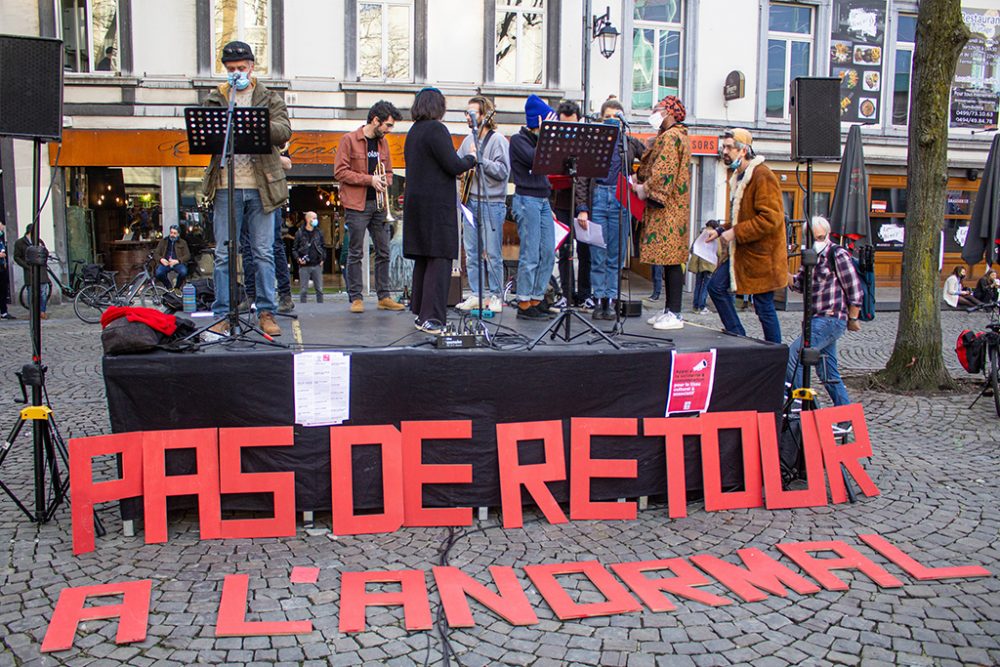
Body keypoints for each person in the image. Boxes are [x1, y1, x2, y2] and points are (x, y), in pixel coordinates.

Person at [201, 40, 289, 337]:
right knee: (225, 254)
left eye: (241, 68)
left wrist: (256, 124)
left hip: (262, 186)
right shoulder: (217, 98)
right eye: (230, 69)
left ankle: (266, 312)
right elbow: (204, 135)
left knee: (263, 252)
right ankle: (224, 314)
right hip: (226, 185)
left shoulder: (269, 97)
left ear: (252, 67)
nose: (236, 73)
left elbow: (284, 131)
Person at [403, 88, 477, 333]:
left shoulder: (413, 132)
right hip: (436, 205)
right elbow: (452, 165)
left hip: (417, 204)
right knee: (440, 258)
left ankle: (420, 313)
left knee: (424, 259)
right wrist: (471, 159)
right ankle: (433, 317)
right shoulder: (436, 129)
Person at [704, 128, 786, 344]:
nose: (725, 151)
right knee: (716, 287)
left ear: (743, 150)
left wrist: (734, 233)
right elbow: (741, 217)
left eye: (729, 147)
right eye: (724, 147)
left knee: (764, 306)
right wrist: (721, 230)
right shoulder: (739, 177)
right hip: (745, 252)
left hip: (763, 256)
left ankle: (775, 352)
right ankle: (738, 334)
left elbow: (771, 219)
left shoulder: (762, 175)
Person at [334, 100, 406, 314]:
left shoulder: (383, 143)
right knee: (356, 252)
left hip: (378, 205)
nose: (389, 130)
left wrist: (387, 180)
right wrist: (369, 180)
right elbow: (340, 172)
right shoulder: (349, 140)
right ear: (376, 120)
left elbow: (390, 172)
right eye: (388, 125)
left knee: (384, 251)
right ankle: (356, 297)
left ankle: (384, 296)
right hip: (357, 204)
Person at [785, 217, 864, 407]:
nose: (818, 241)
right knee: (828, 372)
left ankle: (808, 408)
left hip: (830, 318)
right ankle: (845, 415)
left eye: (821, 237)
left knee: (794, 356)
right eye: (814, 238)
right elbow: (799, 284)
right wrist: (780, 272)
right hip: (816, 319)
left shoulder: (837, 254)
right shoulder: (810, 256)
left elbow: (855, 289)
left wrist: (853, 317)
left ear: (827, 235)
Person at [582, 97, 647, 321]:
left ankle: (611, 301)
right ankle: (598, 300)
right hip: (599, 196)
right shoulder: (594, 143)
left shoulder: (629, 143)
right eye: (607, 117)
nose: (611, 121)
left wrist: (638, 179)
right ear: (601, 119)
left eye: (615, 117)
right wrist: (583, 208)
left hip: (621, 197)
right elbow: (582, 177)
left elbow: (649, 159)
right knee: (598, 253)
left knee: (616, 255)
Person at [634, 95, 691, 330]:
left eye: (657, 109)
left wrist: (644, 189)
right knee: (668, 260)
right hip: (674, 208)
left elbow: (662, 172)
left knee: (671, 260)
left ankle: (675, 312)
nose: (653, 113)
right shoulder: (673, 137)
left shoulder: (670, 138)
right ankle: (669, 309)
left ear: (668, 112)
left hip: (669, 210)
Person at [455, 95, 510, 314]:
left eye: (472, 113)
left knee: (493, 252)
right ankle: (476, 294)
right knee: (471, 252)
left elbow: (503, 172)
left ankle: (496, 295)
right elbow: (458, 165)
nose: (468, 117)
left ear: (484, 115)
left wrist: (480, 161)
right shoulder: (467, 141)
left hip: (492, 203)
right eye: (466, 113)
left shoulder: (498, 141)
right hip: (470, 201)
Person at [509, 95, 557, 321]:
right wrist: (546, 134)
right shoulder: (519, 141)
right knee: (530, 253)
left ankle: (537, 298)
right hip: (526, 198)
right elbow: (537, 160)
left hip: (543, 199)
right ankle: (525, 303)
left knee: (548, 250)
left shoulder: (539, 140)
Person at [241, 149, 296, 313]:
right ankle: (250, 294)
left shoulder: (273, 140)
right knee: (247, 247)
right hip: (244, 190)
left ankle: (285, 295)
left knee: (274, 245)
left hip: (268, 193)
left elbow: (287, 163)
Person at [549, 100, 592, 310]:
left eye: (572, 124)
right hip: (562, 204)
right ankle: (566, 293)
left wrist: (583, 207)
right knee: (564, 251)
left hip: (582, 204)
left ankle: (585, 294)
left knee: (585, 251)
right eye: (565, 124)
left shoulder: (586, 142)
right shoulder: (555, 141)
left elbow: (585, 178)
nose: (569, 130)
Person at [13, 224, 50, 320]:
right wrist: (26, 266)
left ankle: (42, 311)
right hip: (30, 271)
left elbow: (45, 252)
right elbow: (17, 257)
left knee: (43, 292)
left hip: (41, 270)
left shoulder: (39, 241)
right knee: (32, 293)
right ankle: (33, 313)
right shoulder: (20, 243)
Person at [293, 211, 326, 303]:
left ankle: (321, 308)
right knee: (303, 290)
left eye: (316, 218)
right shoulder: (299, 233)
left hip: (317, 264)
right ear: (308, 219)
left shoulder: (319, 232)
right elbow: (294, 249)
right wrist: (298, 259)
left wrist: (323, 258)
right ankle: (303, 308)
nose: (315, 220)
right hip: (304, 266)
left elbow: (323, 246)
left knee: (319, 289)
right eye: (313, 218)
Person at [688, 220, 718, 314]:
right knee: (705, 286)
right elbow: (719, 251)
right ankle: (702, 307)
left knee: (698, 285)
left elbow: (692, 249)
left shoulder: (700, 236)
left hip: (699, 265)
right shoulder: (714, 236)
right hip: (709, 264)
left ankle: (695, 306)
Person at [153, 225, 191, 289]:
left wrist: (178, 261)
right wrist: (161, 259)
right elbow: (156, 254)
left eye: (174, 233)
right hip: (166, 263)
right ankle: (169, 287)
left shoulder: (183, 242)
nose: (172, 235)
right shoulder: (163, 241)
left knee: (183, 272)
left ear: (178, 234)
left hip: (177, 263)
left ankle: (177, 287)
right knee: (159, 273)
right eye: (171, 232)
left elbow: (188, 255)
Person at [0, 219, 13, 319]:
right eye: (1, 224)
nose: (3, 226)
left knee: (3, 290)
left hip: (2, 267)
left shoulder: (1, 238)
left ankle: (3, 311)